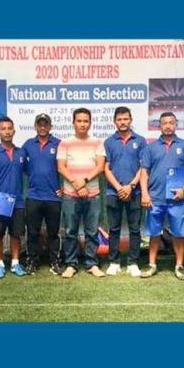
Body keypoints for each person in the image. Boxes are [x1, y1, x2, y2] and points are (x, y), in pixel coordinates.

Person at [139, 111, 184, 278]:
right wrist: (144, 194)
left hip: (177, 199)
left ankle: (179, 265)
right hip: (155, 198)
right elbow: (144, 172)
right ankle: (152, 264)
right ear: (159, 126)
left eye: (171, 123)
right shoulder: (150, 147)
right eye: (164, 123)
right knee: (154, 233)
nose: (168, 126)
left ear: (176, 125)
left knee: (178, 234)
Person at [56, 108, 106, 278]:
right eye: (79, 121)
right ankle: (71, 264)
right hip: (70, 195)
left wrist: (83, 181)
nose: (82, 124)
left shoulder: (97, 143)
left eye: (86, 121)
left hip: (93, 195)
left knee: (92, 231)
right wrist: (77, 185)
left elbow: (100, 166)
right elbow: (61, 167)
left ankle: (92, 263)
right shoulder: (65, 143)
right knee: (71, 231)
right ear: (73, 123)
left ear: (90, 123)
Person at [103, 107, 147, 277]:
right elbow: (106, 168)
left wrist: (131, 186)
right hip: (113, 192)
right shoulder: (109, 142)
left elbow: (143, 167)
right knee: (113, 229)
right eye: (119, 119)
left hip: (134, 192)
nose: (123, 122)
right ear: (115, 121)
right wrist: (119, 187)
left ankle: (133, 262)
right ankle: (114, 262)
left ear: (131, 120)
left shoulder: (140, 141)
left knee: (134, 229)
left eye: (125, 119)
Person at [0, 117, 27, 278]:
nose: (7, 132)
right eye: (3, 129)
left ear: (14, 131)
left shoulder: (21, 152)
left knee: (16, 234)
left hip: (17, 202)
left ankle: (15, 263)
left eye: (10, 128)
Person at [21, 114, 63, 275]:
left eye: (46, 124)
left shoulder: (58, 144)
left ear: (50, 126)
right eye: (40, 124)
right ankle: (32, 261)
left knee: (53, 232)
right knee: (32, 232)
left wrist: (63, 187)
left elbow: (65, 166)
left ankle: (54, 261)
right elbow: (22, 165)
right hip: (34, 196)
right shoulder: (28, 144)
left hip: (53, 197)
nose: (43, 127)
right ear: (35, 126)